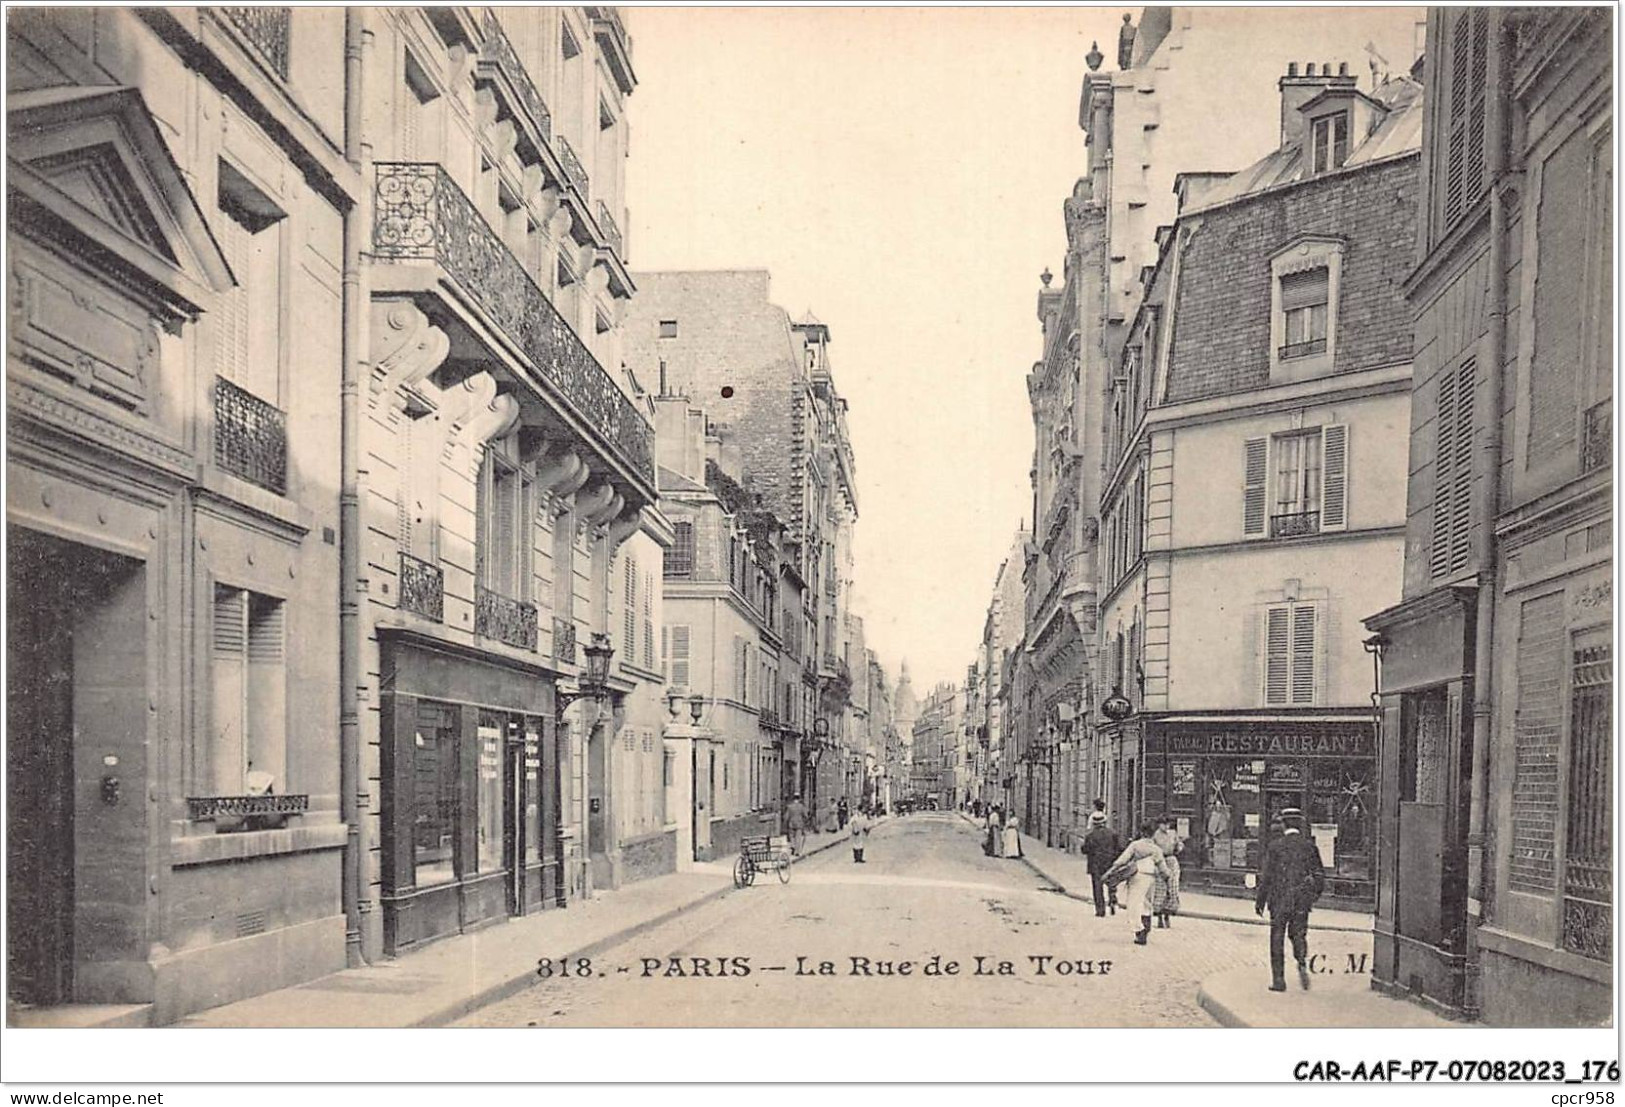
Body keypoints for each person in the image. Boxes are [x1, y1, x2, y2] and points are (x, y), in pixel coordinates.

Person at [1254, 807, 1326, 991]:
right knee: (1298, 934)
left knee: (1277, 938)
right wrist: (1312, 897)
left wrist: (1260, 901)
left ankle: (1279, 981)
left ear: (1284, 824)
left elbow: (1267, 877)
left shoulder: (1275, 846)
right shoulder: (1309, 846)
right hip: (1301, 900)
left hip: (1279, 901)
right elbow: (1319, 875)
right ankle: (1301, 961)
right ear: (1300, 824)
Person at [1107, 823, 1170, 945]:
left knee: (1134, 903)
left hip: (1137, 875)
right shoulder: (1156, 849)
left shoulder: (1135, 845)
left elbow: (1122, 860)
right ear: (1153, 834)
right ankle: (1146, 929)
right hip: (1151, 877)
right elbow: (1163, 868)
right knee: (1147, 904)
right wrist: (1167, 876)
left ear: (1142, 832)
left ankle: (1139, 930)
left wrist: (1110, 872)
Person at [1082, 811, 1123, 917]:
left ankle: (1100, 910)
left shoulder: (1090, 835)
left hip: (1095, 864)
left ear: (1094, 824)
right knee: (1111, 884)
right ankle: (1112, 900)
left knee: (1097, 887)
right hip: (1109, 863)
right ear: (1104, 822)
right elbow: (1119, 848)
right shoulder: (1113, 833)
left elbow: (1085, 850)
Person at [1152, 816, 1183, 928]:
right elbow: (1152, 848)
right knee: (1160, 890)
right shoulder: (1155, 835)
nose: (1166, 826)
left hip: (1171, 860)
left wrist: (1179, 847)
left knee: (1172, 888)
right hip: (1160, 861)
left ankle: (1167, 915)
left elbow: (1179, 844)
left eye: (1168, 824)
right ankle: (1159, 916)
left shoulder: (1173, 833)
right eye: (1164, 824)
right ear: (1159, 824)